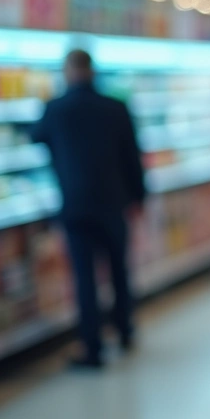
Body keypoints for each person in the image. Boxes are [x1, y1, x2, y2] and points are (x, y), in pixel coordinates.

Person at [32, 50, 145, 369]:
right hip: (113, 202)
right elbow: (132, 156)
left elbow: (36, 137)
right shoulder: (116, 107)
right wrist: (139, 197)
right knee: (119, 269)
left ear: (68, 71)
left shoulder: (55, 108)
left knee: (85, 278)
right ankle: (124, 330)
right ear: (92, 71)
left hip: (77, 206)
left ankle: (92, 348)